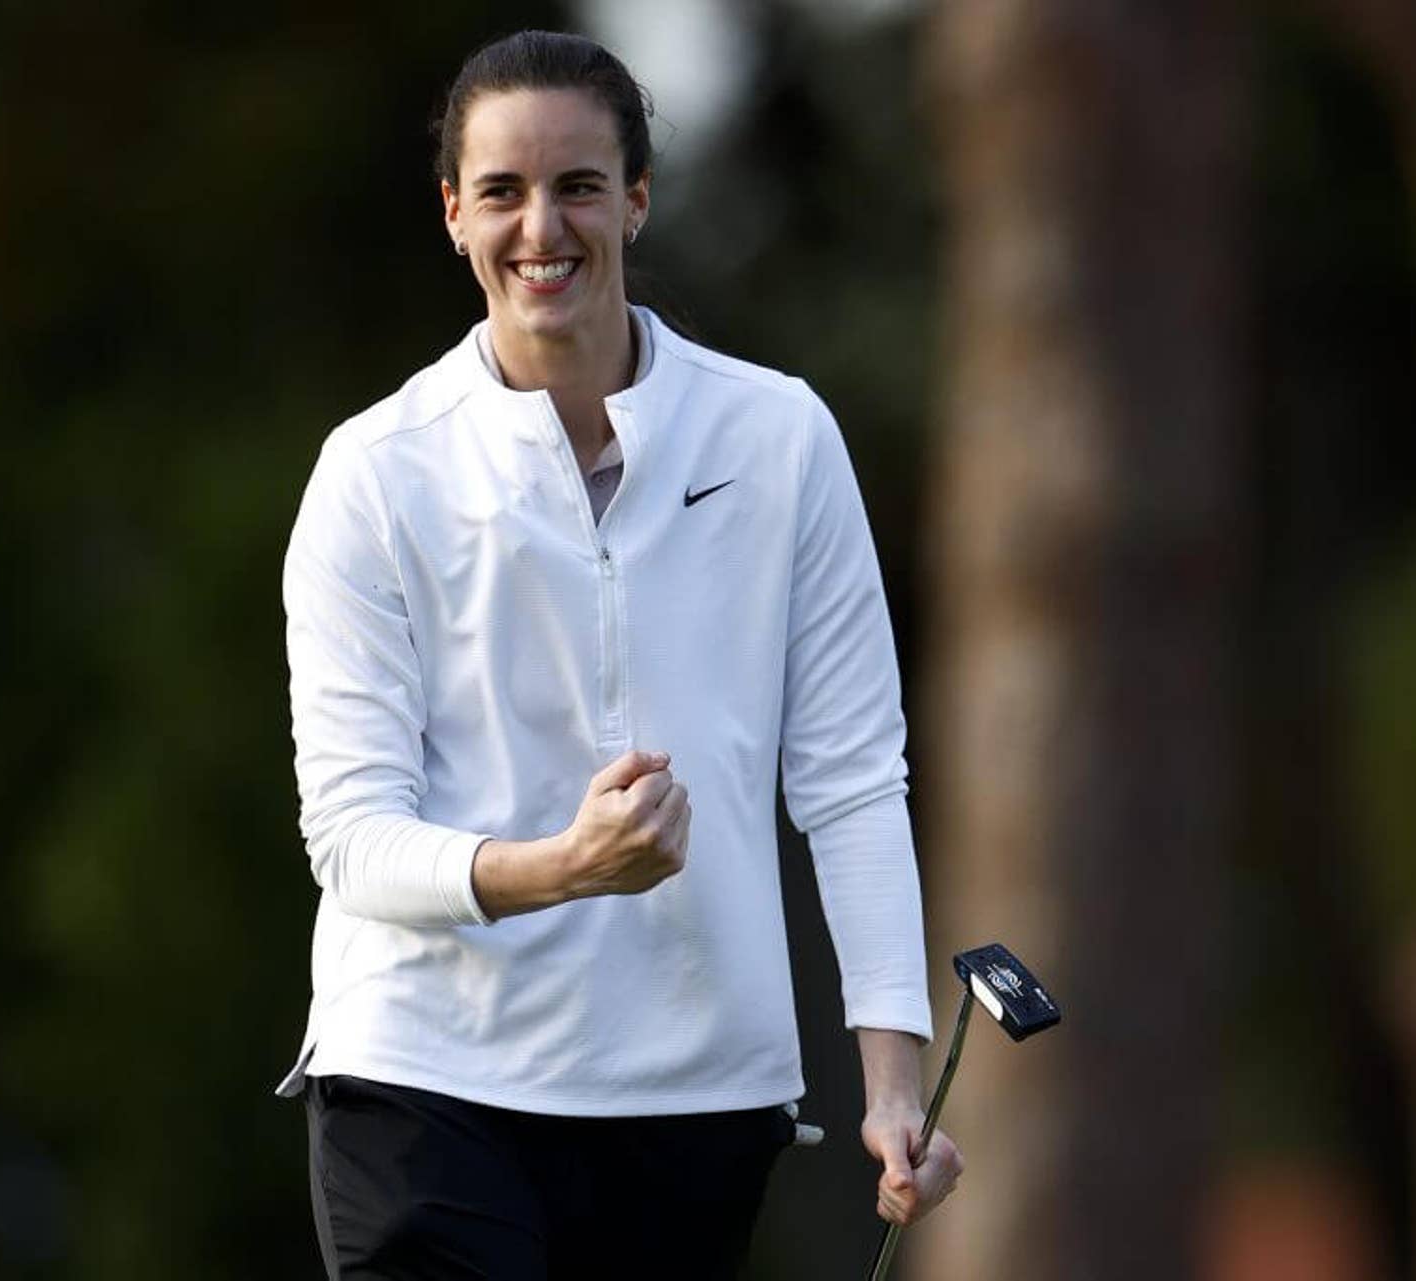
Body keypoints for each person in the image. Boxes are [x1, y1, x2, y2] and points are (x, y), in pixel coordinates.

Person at [277, 29, 962, 1279]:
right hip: (424, 1083)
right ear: (453, 214)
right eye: (502, 191)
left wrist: (893, 1079)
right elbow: (352, 839)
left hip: (693, 1097)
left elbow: (854, 778)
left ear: (635, 200)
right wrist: (564, 867)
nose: (542, 226)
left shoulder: (782, 438)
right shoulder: (371, 475)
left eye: (579, 185)